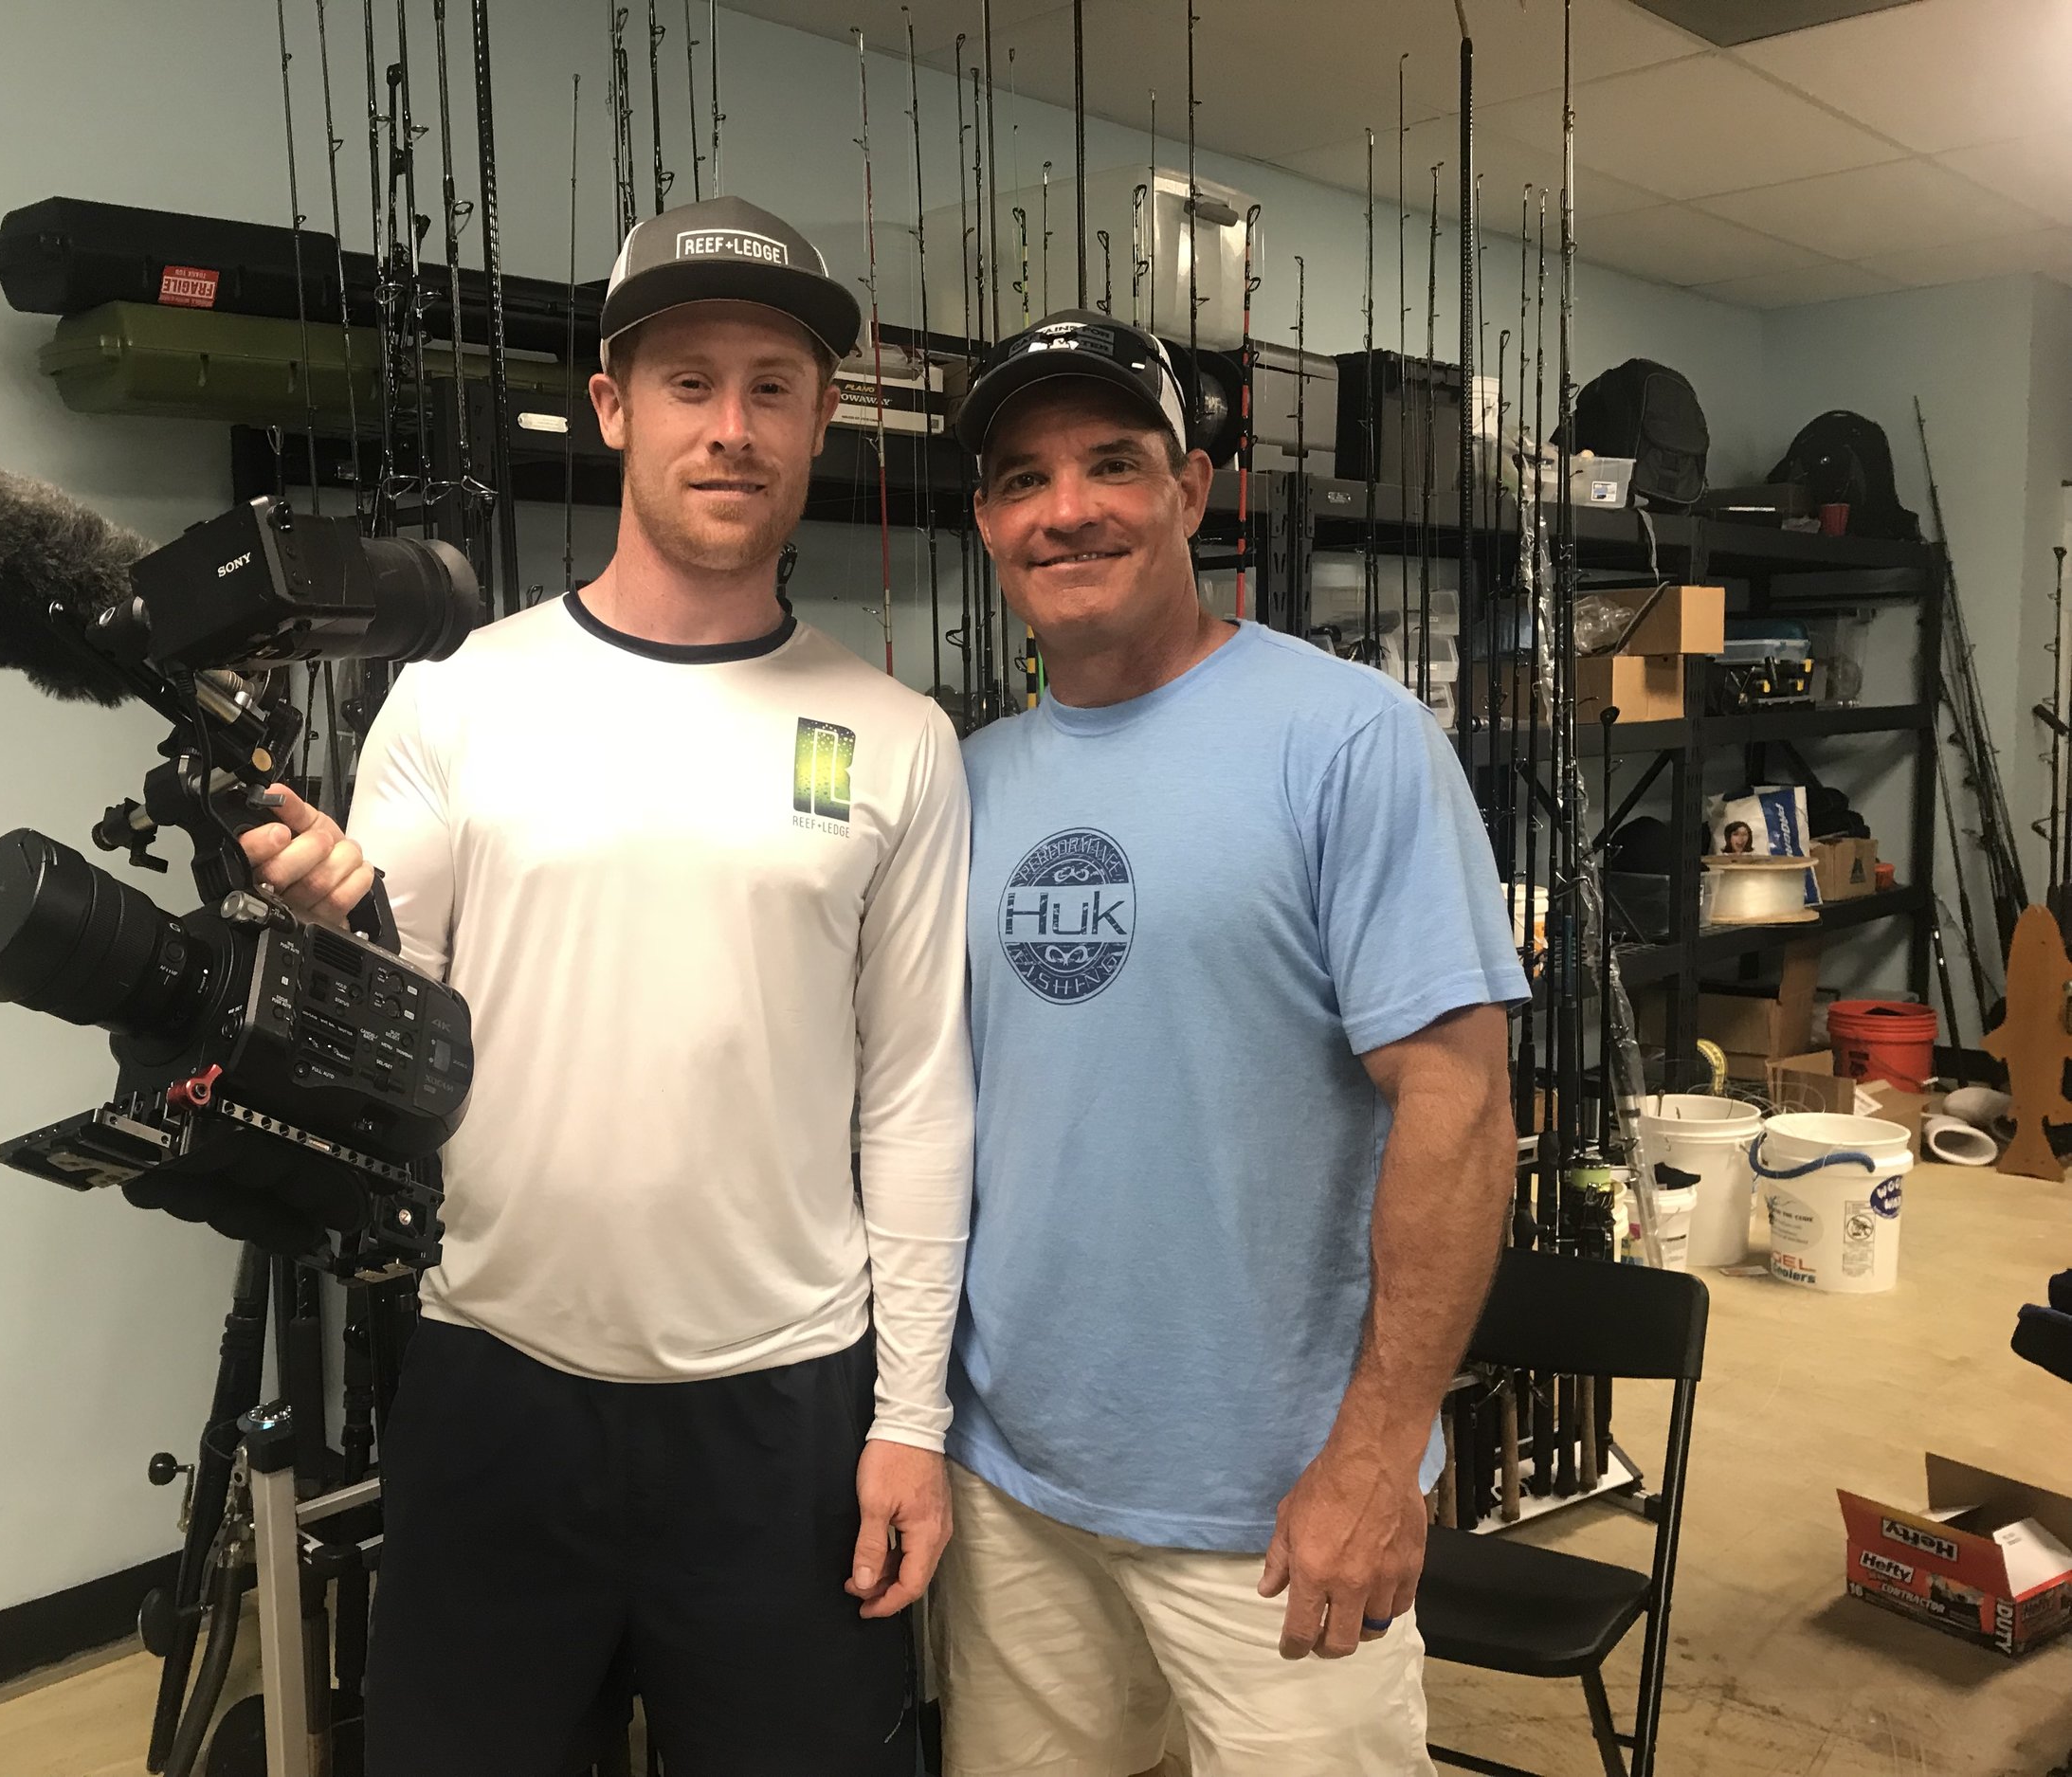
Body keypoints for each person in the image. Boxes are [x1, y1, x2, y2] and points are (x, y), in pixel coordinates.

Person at [240, 195, 974, 1776]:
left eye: (773, 388)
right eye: (689, 382)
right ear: (613, 407)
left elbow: (919, 1099)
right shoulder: (456, 698)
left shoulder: (900, 738)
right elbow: (395, 1022)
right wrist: (321, 937)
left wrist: (910, 1419)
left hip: (787, 1410)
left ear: (821, 422)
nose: (732, 427)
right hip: (498, 1387)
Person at [935, 311, 1527, 1777]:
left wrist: (1376, 1454)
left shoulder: (1352, 740)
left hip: (1280, 1506)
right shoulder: (966, 780)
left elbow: (1459, 1106)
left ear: (1192, 491)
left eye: (1113, 465)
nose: (1068, 509)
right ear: (989, 523)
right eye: (1024, 479)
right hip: (1013, 1484)